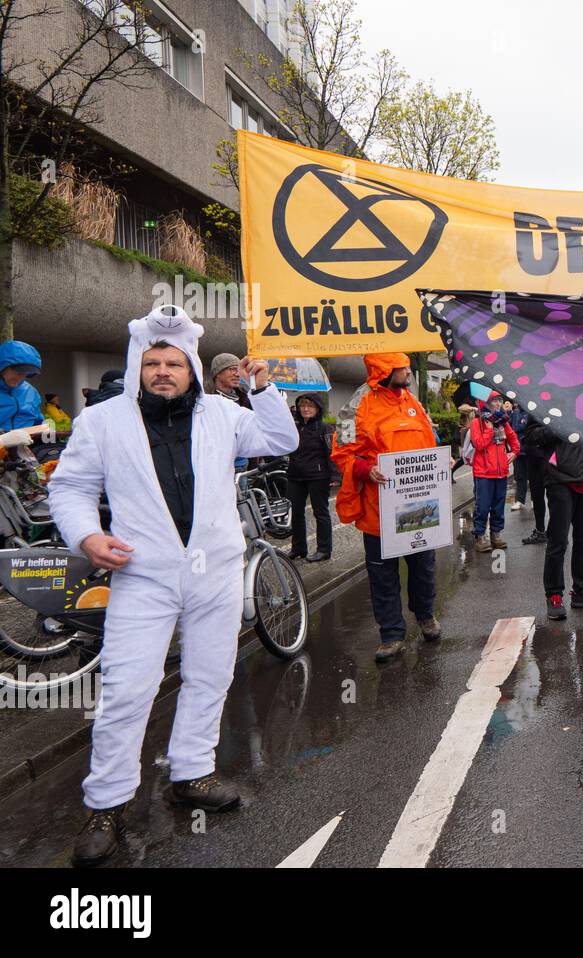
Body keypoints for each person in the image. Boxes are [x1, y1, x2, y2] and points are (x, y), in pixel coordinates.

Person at [47, 305, 299, 867]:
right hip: (143, 573)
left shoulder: (224, 415)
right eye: (154, 362)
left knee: (210, 676)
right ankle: (106, 804)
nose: (164, 371)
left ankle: (193, 773)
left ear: (192, 368)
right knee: (127, 690)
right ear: (140, 364)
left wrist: (262, 387)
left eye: (175, 363)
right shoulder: (104, 421)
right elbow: (69, 489)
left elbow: (279, 438)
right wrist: (88, 537)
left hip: (215, 570)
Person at [331, 353, 442, 663]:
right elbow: (343, 453)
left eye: (407, 365)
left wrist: (440, 460)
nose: (408, 370)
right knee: (383, 577)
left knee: (424, 568)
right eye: (402, 366)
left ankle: (425, 615)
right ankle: (391, 634)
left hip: (419, 508)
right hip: (378, 511)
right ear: (384, 370)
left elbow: (430, 441)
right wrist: (366, 471)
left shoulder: (413, 401)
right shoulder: (356, 405)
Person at [522, 417, 583, 621]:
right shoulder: (545, 396)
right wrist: (558, 428)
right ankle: (554, 594)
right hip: (560, 479)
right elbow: (530, 436)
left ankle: (582, 591)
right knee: (558, 542)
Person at [469, 392, 519, 552]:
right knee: (482, 507)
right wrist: (489, 429)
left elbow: (513, 438)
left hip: (501, 472)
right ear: (486, 403)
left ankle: (495, 535)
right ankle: (480, 536)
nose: (498, 404)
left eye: (500, 400)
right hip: (483, 473)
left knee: (498, 507)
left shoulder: (502, 421)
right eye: (494, 401)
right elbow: (479, 444)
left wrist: (514, 452)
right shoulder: (477, 422)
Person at [286, 394, 333, 562]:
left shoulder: (324, 428)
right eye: (303, 406)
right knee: (296, 513)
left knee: (320, 512)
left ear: (317, 409)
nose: (305, 409)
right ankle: (298, 548)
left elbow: (331, 452)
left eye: (310, 406)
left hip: (318, 476)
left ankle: (324, 549)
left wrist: (334, 475)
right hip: (295, 475)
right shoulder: (295, 427)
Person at [0, 340, 46, 433]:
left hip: (27, 445)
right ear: (2, 366)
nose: (21, 377)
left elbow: (38, 422)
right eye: (18, 372)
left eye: (27, 374)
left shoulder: (31, 392)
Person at [520, 410, 548, 545]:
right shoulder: (533, 407)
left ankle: (555, 533)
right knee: (537, 497)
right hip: (535, 459)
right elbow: (529, 432)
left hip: (549, 459)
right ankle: (541, 531)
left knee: (556, 498)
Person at [506, 399, 530, 511]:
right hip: (518, 450)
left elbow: (520, 427)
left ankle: (535, 499)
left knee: (534, 478)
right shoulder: (515, 412)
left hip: (530, 449)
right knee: (520, 477)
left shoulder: (530, 412)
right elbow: (510, 428)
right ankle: (520, 500)